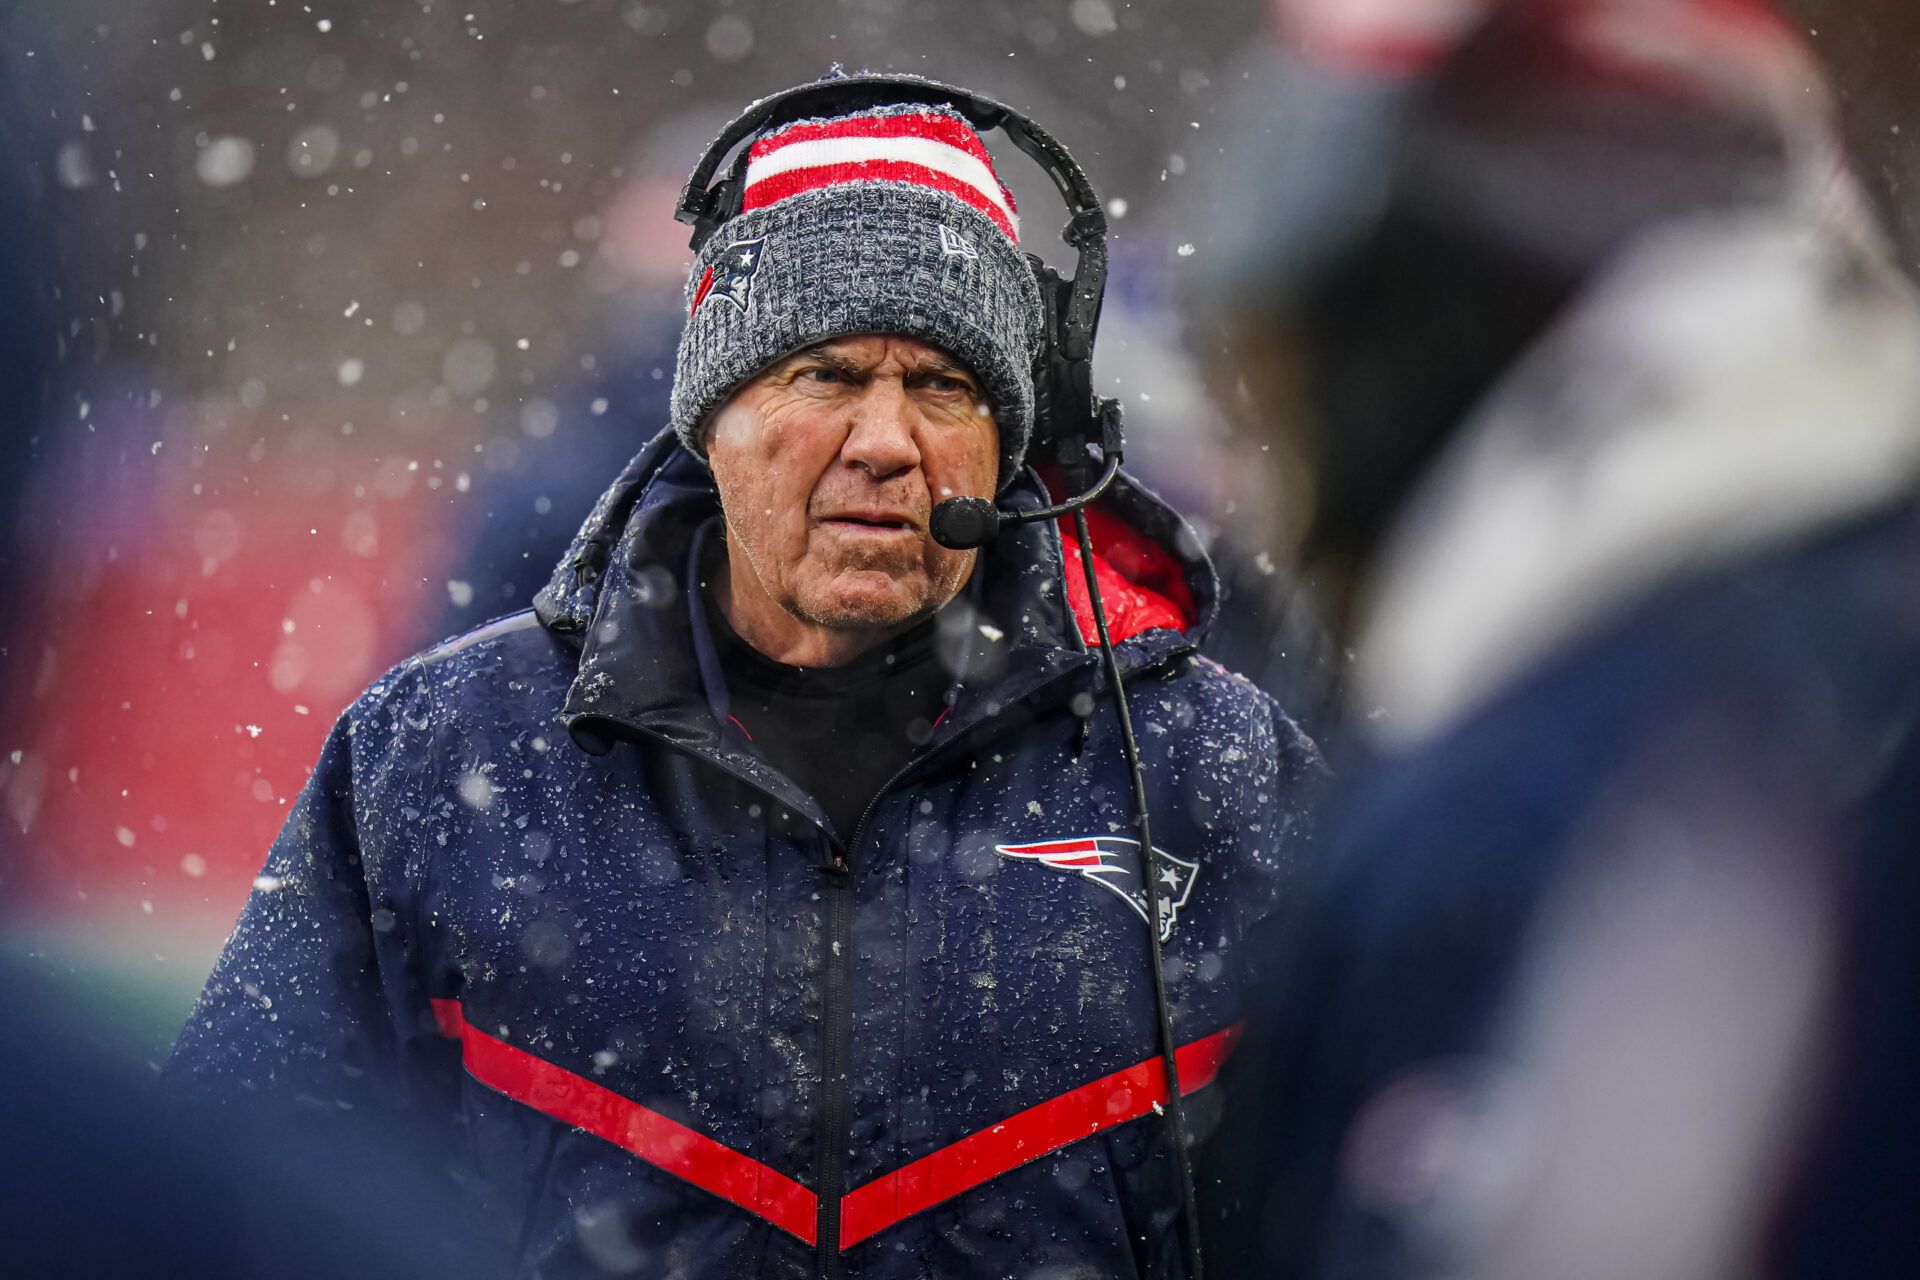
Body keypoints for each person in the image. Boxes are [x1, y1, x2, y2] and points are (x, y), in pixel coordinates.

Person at [169, 78, 1324, 1280]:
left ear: (1007, 438)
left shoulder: (1216, 768)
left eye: (943, 385)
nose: (886, 440)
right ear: (712, 416)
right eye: (825, 374)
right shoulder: (438, 752)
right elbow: (223, 1193)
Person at [1196, 1, 1920, 1277]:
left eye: (1279, 379)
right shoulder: (1817, 629)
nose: (1274, 477)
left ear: (1409, 326)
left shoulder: (1573, 792)